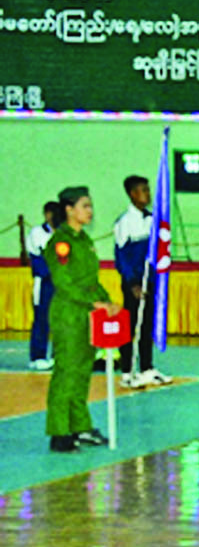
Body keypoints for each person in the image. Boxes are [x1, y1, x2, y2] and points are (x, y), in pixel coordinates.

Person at [44, 186, 122, 452]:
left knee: (82, 372)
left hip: (88, 314)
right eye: (85, 206)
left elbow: (91, 280)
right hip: (69, 314)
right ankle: (59, 432)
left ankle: (80, 426)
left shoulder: (84, 240)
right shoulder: (61, 243)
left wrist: (107, 301)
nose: (90, 211)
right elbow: (63, 282)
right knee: (66, 372)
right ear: (69, 210)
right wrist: (92, 302)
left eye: (90, 206)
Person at [113, 175, 171, 388]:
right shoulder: (124, 222)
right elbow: (121, 257)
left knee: (147, 325)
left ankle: (147, 368)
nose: (148, 194)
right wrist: (132, 283)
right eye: (143, 190)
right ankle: (127, 371)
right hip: (135, 283)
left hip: (151, 279)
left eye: (148, 190)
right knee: (130, 327)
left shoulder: (152, 219)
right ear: (132, 194)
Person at [26, 201, 60, 370]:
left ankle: (57, 355)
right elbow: (37, 259)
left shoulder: (65, 233)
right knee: (42, 320)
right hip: (44, 282)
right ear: (46, 215)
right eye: (53, 214)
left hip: (62, 283)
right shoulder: (36, 233)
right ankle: (37, 356)